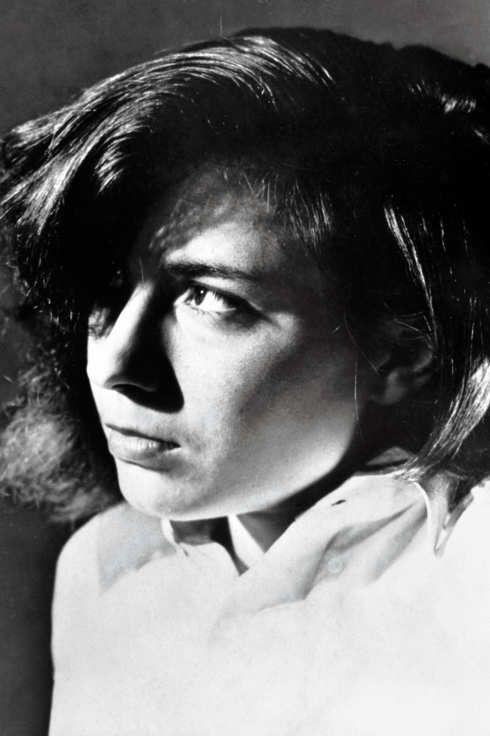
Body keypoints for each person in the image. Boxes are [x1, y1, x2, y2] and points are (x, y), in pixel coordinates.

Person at [1, 26, 490, 736]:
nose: (117, 367)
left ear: (402, 353)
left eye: (212, 299)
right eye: (108, 286)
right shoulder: (106, 570)